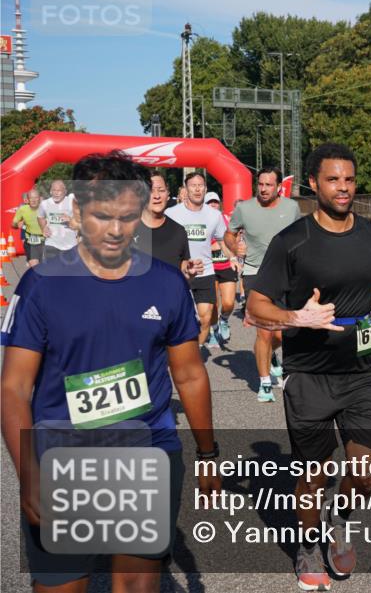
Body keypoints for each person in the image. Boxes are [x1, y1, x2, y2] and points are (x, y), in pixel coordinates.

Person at [0, 150, 221, 593]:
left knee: (137, 585)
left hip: (146, 453)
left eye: (127, 217)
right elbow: (14, 387)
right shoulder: (41, 286)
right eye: (103, 216)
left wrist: (208, 452)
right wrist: (29, 473)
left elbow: (191, 374)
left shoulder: (166, 283)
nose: (117, 231)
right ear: (78, 212)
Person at [247, 143, 371, 589]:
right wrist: (297, 316)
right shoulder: (292, 241)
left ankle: (338, 520)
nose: (344, 188)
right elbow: (256, 305)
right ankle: (308, 546)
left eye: (350, 179)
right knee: (313, 475)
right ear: (313, 184)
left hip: (361, 371)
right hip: (308, 375)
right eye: (333, 179)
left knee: (368, 470)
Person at [224, 167, 301, 402]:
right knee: (265, 332)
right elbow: (229, 233)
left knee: (281, 332)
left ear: (279, 187)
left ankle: (270, 355)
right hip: (255, 273)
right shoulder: (244, 209)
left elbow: (300, 236)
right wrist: (234, 246)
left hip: (286, 274)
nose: (264, 189)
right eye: (261, 184)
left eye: (269, 185)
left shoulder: (291, 208)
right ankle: (265, 383)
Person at [166, 173, 227, 349]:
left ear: (205, 189)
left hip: (205, 271)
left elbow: (222, 239)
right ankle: (176, 349)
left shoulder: (215, 215)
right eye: (193, 185)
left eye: (201, 185)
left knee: (205, 317)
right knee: (176, 317)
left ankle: (195, 352)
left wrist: (232, 257)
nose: (197, 189)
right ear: (186, 189)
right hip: (179, 273)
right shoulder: (171, 213)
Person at [134, 172, 201, 279]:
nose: (157, 196)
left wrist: (188, 271)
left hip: (169, 294)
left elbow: (182, 264)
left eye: (161, 190)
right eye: (151, 191)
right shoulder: (126, 230)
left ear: (168, 195)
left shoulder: (179, 231)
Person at [205, 192, 239, 347]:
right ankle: (213, 331)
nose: (213, 205)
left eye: (216, 202)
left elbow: (235, 239)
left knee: (228, 303)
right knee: (212, 304)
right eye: (210, 203)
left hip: (226, 265)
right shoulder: (201, 222)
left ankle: (224, 320)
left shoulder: (227, 220)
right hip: (209, 267)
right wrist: (212, 246)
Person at [38, 180, 78, 262]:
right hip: (51, 243)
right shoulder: (44, 204)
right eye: (54, 190)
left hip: (70, 245)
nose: (56, 193)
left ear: (65, 191)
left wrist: (71, 220)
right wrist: (43, 228)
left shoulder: (72, 203)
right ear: (50, 191)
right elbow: (40, 217)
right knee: (52, 271)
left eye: (59, 190)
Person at [12, 189, 44, 267]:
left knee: (45, 267)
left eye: (35, 198)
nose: (33, 200)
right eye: (31, 198)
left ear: (39, 198)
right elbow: (13, 223)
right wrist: (17, 225)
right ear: (28, 199)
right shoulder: (23, 209)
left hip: (46, 241)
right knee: (34, 266)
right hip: (31, 241)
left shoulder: (46, 208)